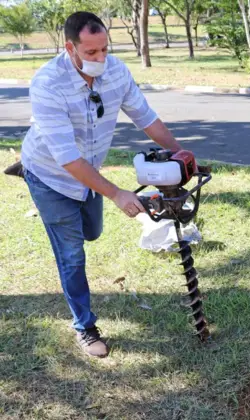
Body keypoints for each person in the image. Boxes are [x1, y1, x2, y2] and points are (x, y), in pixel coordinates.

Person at [11, 11, 187, 358]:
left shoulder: (116, 70)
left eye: (105, 49)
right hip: (51, 173)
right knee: (72, 254)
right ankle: (85, 327)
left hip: (87, 171)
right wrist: (117, 193)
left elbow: (146, 118)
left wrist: (181, 154)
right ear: (70, 48)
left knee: (91, 231)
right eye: (91, 53)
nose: (100, 59)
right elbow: (66, 158)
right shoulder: (47, 83)